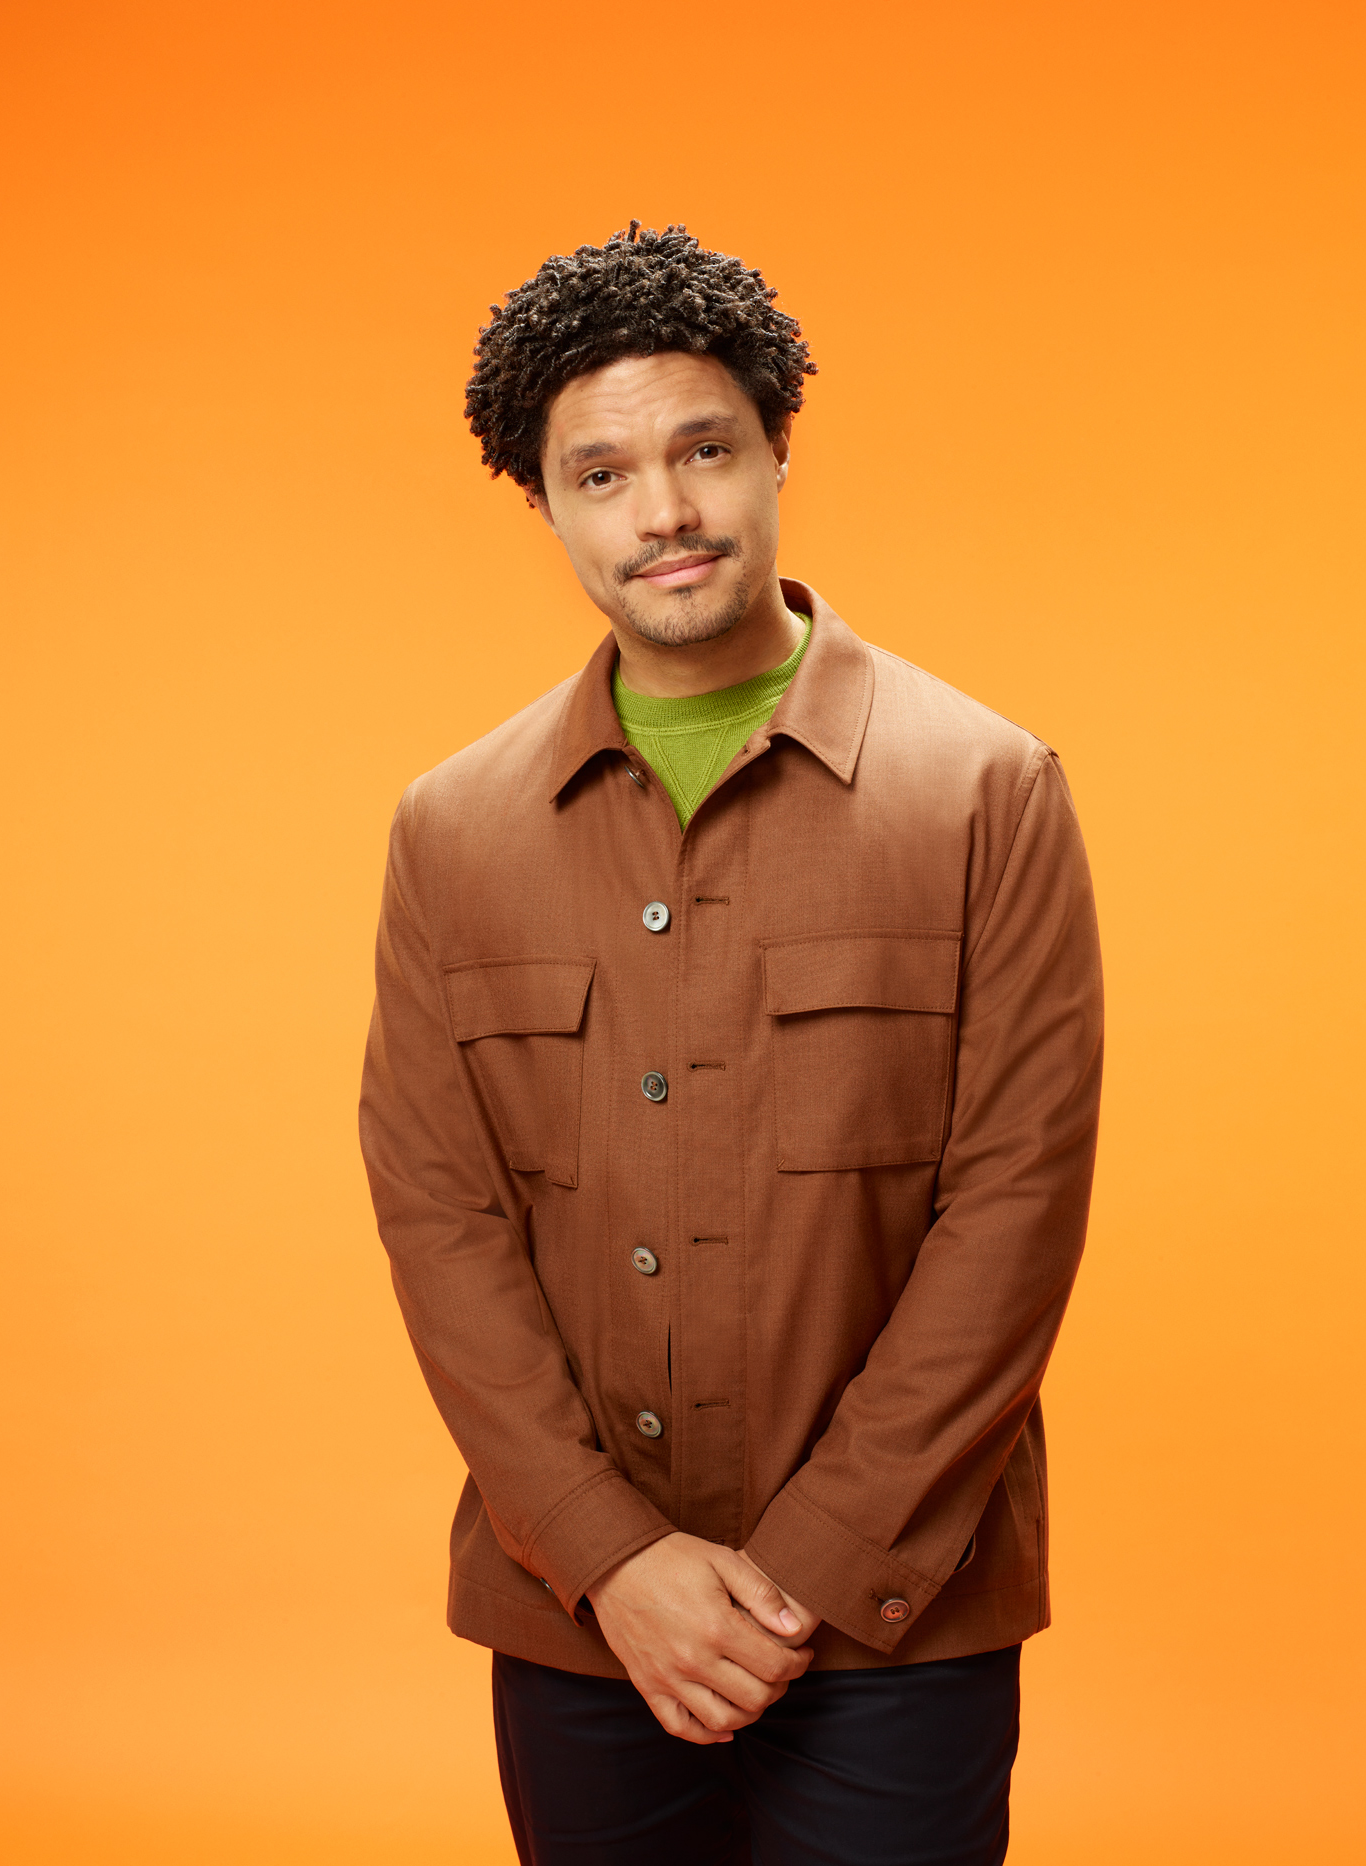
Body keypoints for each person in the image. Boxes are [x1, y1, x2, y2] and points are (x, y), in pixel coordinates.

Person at [359, 222, 1103, 1866]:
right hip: (578, 1622)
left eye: (704, 449)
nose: (666, 512)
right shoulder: (452, 830)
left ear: (777, 450)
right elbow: (440, 1214)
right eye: (602, 472)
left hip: (905, 1613)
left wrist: (810, 1570)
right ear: (547, 506)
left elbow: (1015, 1209)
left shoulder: (989, 790)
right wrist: (614, 1557)